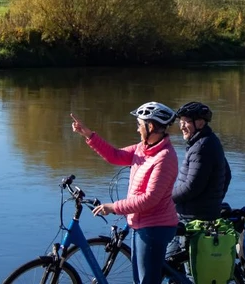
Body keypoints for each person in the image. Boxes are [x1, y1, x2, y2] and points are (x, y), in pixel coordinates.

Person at [70, 102, 179, 284]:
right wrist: (88, 135)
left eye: (139, 125)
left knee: (146, 281)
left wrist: (113, 207)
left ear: (150, 126)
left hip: (155, 227)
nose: (137, 129)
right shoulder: (142, 150)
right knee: (140, 279)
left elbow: (149, 200)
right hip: (140, 224)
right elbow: (115, 155)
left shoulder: (165, 157)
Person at [172, 101, 231, 221]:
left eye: (187, 122)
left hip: (193, 217)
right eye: (181, 121)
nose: (182, 126)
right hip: (201, 213)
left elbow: (191, 187)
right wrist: (214, 202)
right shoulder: (209, 141)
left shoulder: (201, 147)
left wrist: (166, 198)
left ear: (200, 123)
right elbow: (227, 175)